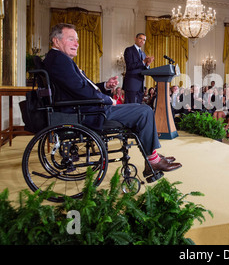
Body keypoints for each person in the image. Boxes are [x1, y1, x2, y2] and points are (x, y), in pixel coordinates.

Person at [43, 23, 181, 177]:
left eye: (77, 40)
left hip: (84, 108)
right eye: (71, 39)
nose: (77, 44)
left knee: (139, 108)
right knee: (145, 111)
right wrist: (108, 100)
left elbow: (80, 87)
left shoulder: (58, 59)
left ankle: (153, 155)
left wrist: (105, 86)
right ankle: (153, 160)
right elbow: (80, 90)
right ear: (56, 41)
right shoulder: (59, 60)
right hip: (87, 113)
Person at [123, 33, 154, 104]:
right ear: (135, 39)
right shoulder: (129, 50)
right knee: (130, 107)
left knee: (138, 108)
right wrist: (143, 61)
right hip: (131, 84)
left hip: (140, 85)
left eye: (144, 40)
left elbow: (144, 70)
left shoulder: (143, 54)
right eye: (140, 38)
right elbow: (130, 66)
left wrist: (147, 64)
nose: (142, 41)